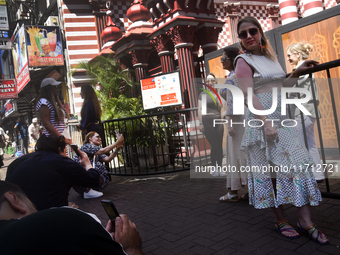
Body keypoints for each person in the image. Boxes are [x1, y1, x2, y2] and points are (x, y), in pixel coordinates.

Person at [234, 16, 328, 244]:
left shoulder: (271, 59)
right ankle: (281, 220)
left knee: (300, 163)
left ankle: (305, 221)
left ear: (260, 33)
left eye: (252, 31)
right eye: (243, 34)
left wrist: (295, 72)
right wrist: (266, 122)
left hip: (281, 117)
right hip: (262, 120)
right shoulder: (242, 60)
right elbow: (248, 95)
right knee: (271, 172)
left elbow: (280, 86)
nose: (248, 36)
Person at [0, 180, 143, 255]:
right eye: (32, 205)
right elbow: (90, 178)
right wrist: (131, 248)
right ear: (14, 200)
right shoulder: (59, 219)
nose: (37, 210)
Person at [5, 134, 101, 211]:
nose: (66, 155)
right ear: (60, 149)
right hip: (47, 217)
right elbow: (93, 180)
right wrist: (87, 163)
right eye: (65, 152)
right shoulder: (61, 161)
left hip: (16, 216)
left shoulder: (17, 162)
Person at [286, 42, 324, 181]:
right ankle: (318, 174)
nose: (288, 58)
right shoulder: (305, 68)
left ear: (298, 54)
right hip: (308, 109)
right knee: (310, 143)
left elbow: (290, 88)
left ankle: (302, 178)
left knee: (299, 144)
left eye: (289, 55)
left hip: (303, 110)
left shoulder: (301, 70)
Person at [219, 47, 248, 202]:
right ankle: (251, 189)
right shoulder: (239, 75)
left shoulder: (233, 77)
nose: (222, 61)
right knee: (245, 153)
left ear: (231, 59)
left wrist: (230, 123)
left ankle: (233, 192)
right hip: (244, 116)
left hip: (236, 119)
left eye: (223, 58)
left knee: (235, 153)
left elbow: (231, 101)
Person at [73, 131, 124, 199]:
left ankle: (91, 189)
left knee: (103, 171)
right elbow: (104, 150)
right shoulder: (87, 146)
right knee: (98, 166)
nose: (99, 138)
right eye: (97, 137)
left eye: (100, 137)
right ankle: (87, 191)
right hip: (79, 179)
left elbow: (107, 159)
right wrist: (118, 141)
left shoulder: (96, 151)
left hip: (83, 179)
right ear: (90, 138)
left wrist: (117, 149)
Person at [198, 73, 224, 176]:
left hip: (218, 120)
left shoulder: (219, 94)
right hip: (207, 121)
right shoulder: (203, 94)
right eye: (208, 81)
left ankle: (220, 167)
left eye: (212, 80)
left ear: (215, 81)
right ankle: (213, 167)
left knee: (220, 145)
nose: (210, 82)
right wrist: (200, 123)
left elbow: (222, 107)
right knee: (214, 145)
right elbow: (200, 109)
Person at [36, 78, 72, 144]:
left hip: (60, 139)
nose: (57, 89)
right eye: (55, 87)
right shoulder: (43, 102)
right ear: (48, 89)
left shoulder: (54, 103)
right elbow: (46, 123)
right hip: (52, 140)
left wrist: (66, 137)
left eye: (57, 87)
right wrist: (61, 136)